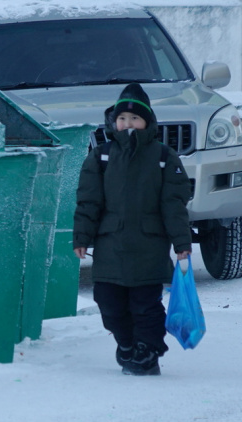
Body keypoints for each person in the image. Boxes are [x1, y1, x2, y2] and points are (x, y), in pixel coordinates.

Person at [73, 83, 192, 376]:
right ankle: (126, 344)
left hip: (148, 247)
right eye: (122, 119)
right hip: (110, 245)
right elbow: (89, 201)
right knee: (109, 304)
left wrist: (181, 244)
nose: (128, 124)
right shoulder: (101, 156)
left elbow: (174, 206)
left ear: (147, 122)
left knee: (145, 307)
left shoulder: (164, 157)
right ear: (114, 122)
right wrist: (82, 236)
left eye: (135, 119)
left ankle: (148, 352)